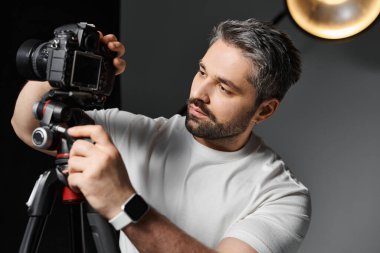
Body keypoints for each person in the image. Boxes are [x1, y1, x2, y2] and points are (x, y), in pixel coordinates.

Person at [12, 18, 311, 253]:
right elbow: (26, 123)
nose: (199, 94)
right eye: (202, 72)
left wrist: (122, 202)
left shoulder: (281, 195)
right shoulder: (140, 134)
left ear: (264, 110)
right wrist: (62, 64)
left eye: (224, 88)